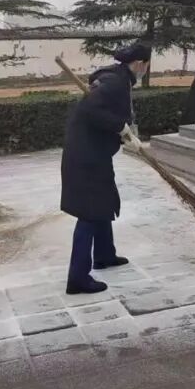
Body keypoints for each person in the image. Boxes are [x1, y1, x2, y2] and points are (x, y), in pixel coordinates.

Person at [60, 43, 150, 295]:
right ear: (140, 63)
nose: (145, 69)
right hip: (86, 157)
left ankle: (104, 255)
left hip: (94, 153)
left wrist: (125, 132)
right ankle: (77, 278)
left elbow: (103, 112)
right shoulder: (115, 82)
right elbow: (91, 109)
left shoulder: (117, 78)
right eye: (146, 65)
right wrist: (120, 127)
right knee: (89, 213)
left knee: (103, 202)